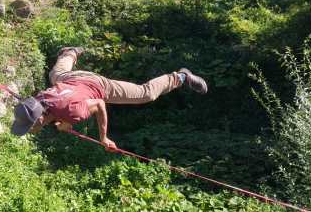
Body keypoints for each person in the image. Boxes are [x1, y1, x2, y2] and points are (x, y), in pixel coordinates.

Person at [11, 47, 208, 150]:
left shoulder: (72, 113)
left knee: (145, 94)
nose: (29, 131)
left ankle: (181, 77)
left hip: (99, 87)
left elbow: (99, 104)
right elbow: (58, 106)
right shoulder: (38, 100)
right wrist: (62, 122)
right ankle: (69, 52)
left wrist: (103, 137)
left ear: (39, 119)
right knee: (56, 74)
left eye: (29, 128)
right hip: (71, 79)